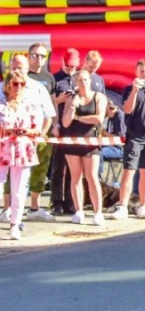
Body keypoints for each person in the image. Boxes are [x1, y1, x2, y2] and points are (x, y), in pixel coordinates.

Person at [111, 60, 145, 220]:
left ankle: (144, 205)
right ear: (136, 72)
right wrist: (135, 90)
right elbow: (127, 109)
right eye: (142, 71)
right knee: (129, 171)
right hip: (134, 135)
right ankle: (122, 206)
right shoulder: (129, 89)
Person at [3, 53, 53, 223]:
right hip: (4, 147)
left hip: (29, 144)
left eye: (21, 67)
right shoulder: (1, 89)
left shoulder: (38, 88)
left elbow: (48, 115)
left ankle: (31, 210)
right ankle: (6, 210)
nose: (17, 70)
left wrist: (40, 134)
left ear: (27, 68)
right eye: (14, 67)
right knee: (5, 182)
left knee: (28, 181)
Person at [0, 70, 46, 240]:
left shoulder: (29, 105)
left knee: (19, 190)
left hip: (22, 149)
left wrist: (27, 131)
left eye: (22, 84)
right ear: (7, 85)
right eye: (15, 84)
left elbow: (37, 128)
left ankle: (14, 225)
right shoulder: (1, 104)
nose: (18, 87)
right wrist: (7, 130)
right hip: (3, 149)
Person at [59, 68, 107, 226]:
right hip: (72, 140)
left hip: (91, 141)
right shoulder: (72, 98)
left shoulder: (98, 97)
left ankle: (98, 212)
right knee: (76, 176)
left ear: (91, 81)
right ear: (75, 83)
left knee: (92, 176)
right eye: (80, 80)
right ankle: (78, 211)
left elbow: (99, 118)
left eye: (86, 80)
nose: (83, 83)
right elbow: (65, 123)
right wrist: (72, 108)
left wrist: (79, 117)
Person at [49, 48, 82, 216]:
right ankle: (56, 202)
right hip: (60, 128)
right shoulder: (55, 79)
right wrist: (58, 99)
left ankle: (70, 201)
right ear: (63, 62)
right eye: (69, 66)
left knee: (73, 168)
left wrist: (97, 134)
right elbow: (48, 103)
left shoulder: (80, 79)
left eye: (74, 66)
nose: (71, 69)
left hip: (76, 128)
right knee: (58, 167)